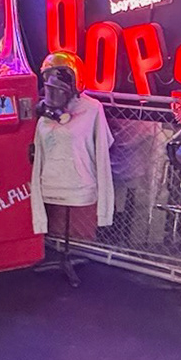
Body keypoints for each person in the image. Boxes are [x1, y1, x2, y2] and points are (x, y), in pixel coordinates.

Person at [28, 52, 113, 286]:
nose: (53, 84)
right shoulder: (45, 114)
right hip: (50, 184)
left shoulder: (92, 109)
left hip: (79, 184)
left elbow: (103, 149)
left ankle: (68, 258)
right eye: (49, 76)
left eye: (61, 76)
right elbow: (40, 152)